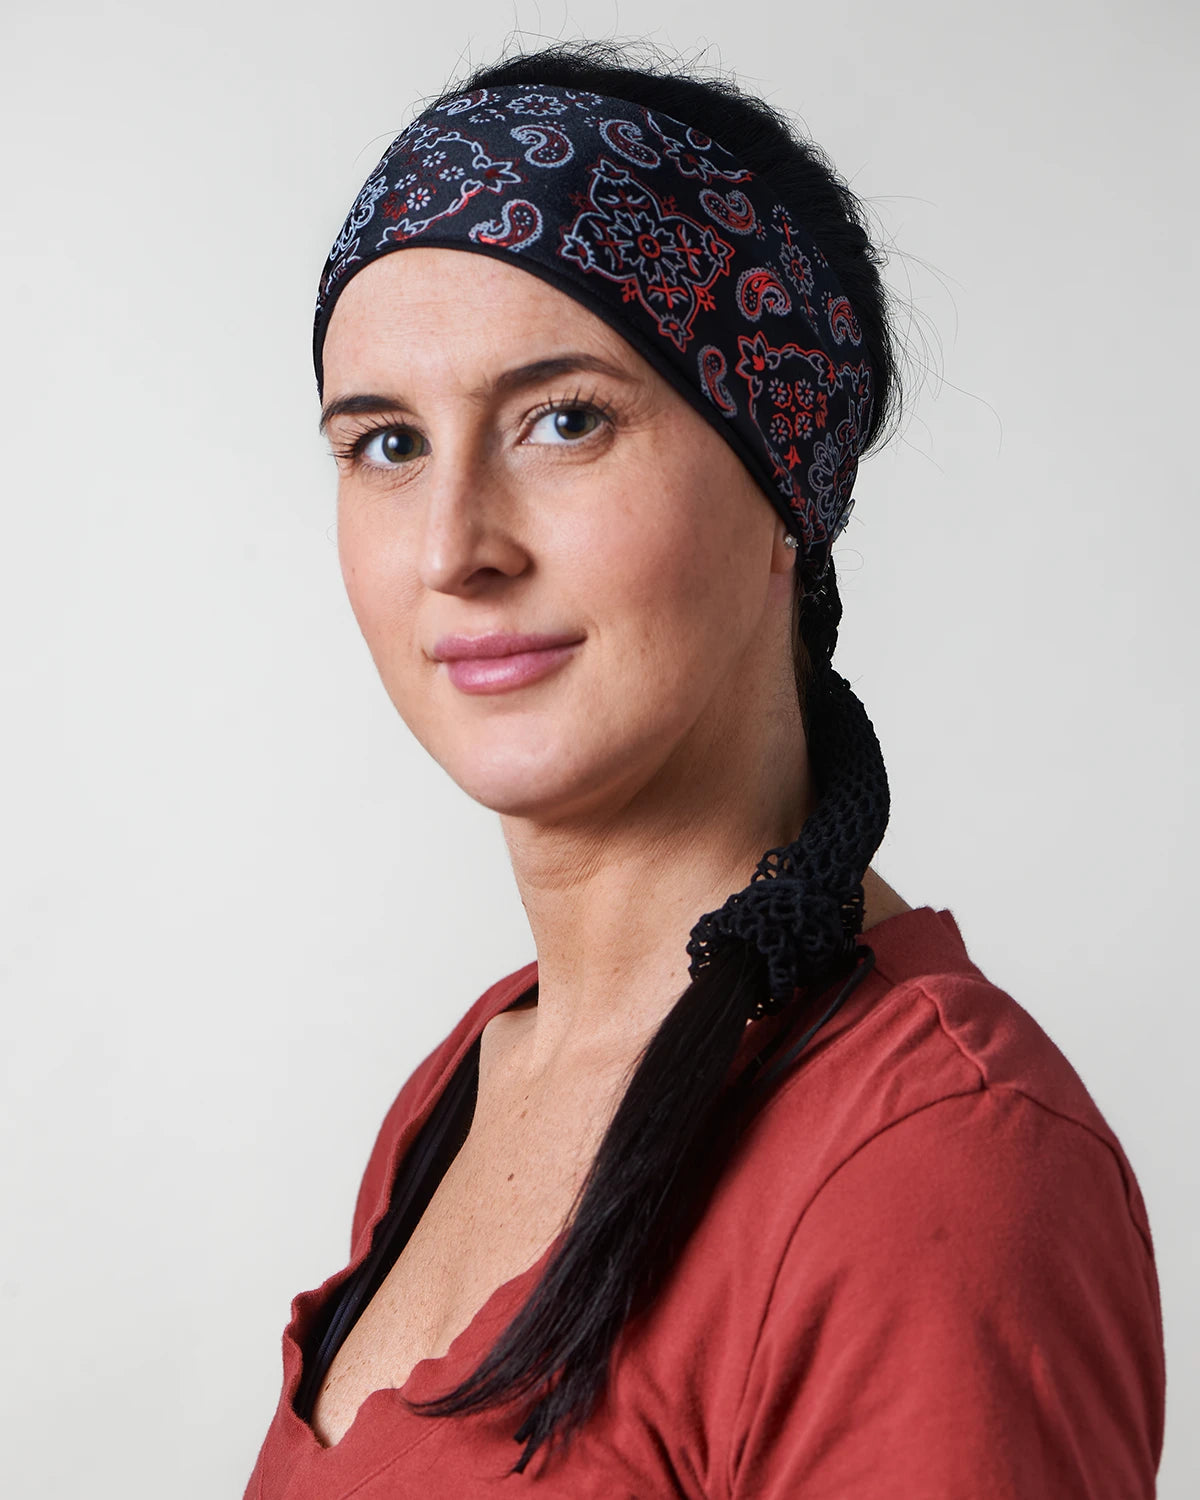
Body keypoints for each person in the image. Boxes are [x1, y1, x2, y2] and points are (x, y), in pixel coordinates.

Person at [243, 39, 1165, 1499]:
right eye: (388, 443)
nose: (452, 547)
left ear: (781, 478)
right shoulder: (469, 1085)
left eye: (565, 419)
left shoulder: (934, 1167)